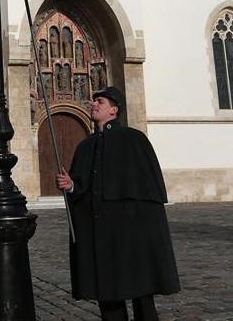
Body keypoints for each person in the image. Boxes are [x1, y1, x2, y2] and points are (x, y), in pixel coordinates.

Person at [56, 86, 180, 321]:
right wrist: (70, 184)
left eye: (100, 101)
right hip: (101, 236)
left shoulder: (134, 140)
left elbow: (147, 190)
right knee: (107, 292)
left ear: (114, 110)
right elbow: (81, 187)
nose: (93, 104)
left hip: (131, 234)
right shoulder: (85, 146)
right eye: (93, 101)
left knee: (141, 291)